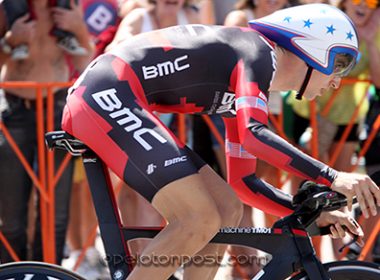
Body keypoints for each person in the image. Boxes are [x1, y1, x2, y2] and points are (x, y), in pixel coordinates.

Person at [61, 4, 379, 279]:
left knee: (226, 208)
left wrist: (305, 213)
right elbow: (255, 136)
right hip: (103, 95)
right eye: (338, 63)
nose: (338, 80)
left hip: (116, 95)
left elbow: (244, 183)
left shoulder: (249, 78)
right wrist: (333, 177)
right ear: (312, 48)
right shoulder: (258, 52)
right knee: (198, 216)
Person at [0, 0, 94, 264]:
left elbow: (86, 59)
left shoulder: (65, 8)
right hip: (14, 109)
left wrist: (78, 28)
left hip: (56, 109)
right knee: (11, 214)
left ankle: (47, 271)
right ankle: (12, 272)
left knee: (56, 211)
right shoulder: (8, 9)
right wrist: (10, 42)